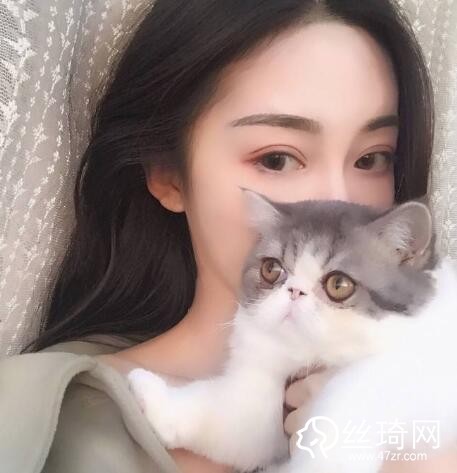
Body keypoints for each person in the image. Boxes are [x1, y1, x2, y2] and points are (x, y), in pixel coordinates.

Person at [2, 0, 457, 472]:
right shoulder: (43, 417)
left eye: (371, 158)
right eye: (277, 158)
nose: (335, 201)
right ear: (168, 175)